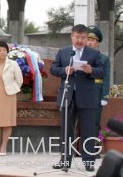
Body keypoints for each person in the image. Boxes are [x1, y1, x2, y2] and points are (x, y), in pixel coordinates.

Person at [50, 24, 104, 172]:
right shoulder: (63, 52)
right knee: (66, 130)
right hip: (67, 95)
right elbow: (53, 68)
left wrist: (91, 70)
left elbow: (101, 72)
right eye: (77, 37)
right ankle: (65, 161)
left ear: (87, 38)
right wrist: (64, 70)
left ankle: (89, 161)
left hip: (87, 97)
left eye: (83, 38)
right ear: (72, 36)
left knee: (88, 130)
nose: (80, 40)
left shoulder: (94, 54)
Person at [87, 26, 110, 152]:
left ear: (97, 42)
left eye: (93, 40)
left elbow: (106, 78)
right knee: (83, 123)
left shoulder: (104, 59)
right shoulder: (82, 55)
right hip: (83, 93)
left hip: (96, 93)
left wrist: (104, 96)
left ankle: (93, 150)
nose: (90, 42)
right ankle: (81, 149)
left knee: (95, 122)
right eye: (88, 39)